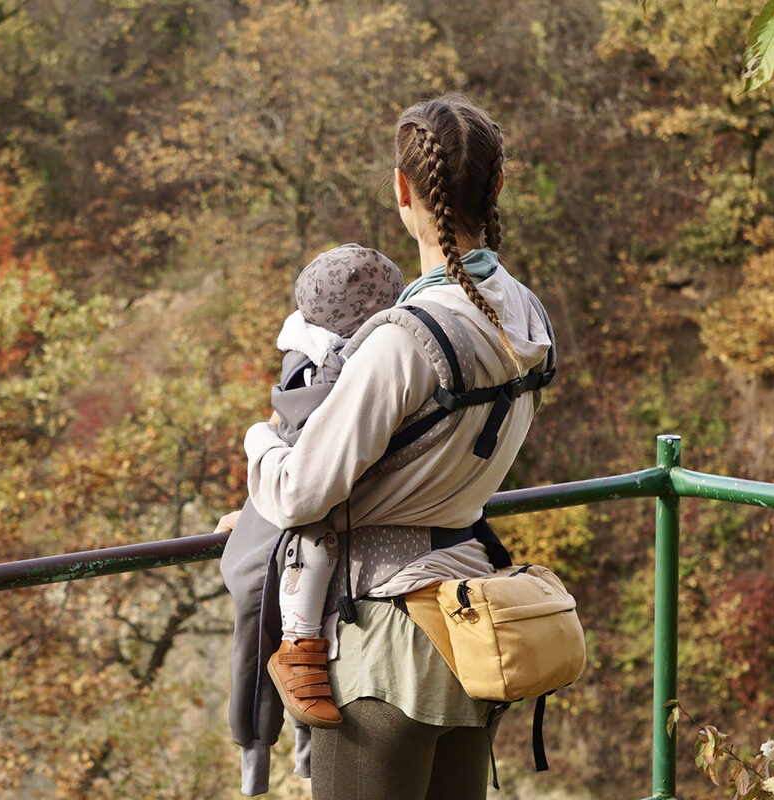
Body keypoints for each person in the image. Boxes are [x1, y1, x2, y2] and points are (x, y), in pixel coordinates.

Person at [220, 93, 555, 800]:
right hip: (469, 628)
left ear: (403, 190)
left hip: (383, 645)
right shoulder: (526, 312)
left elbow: (297, 491)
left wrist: (259, 444)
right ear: (498, 186)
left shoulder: (405, 339)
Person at [219, 244, 405, 795]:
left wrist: (256, 445)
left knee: (264, 596)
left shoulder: (332, 364)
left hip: (326, 513)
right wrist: (256, 503)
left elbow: (291, 450)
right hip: (355, 513)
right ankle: (294, 752)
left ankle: (266, 757)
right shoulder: (380, 353)